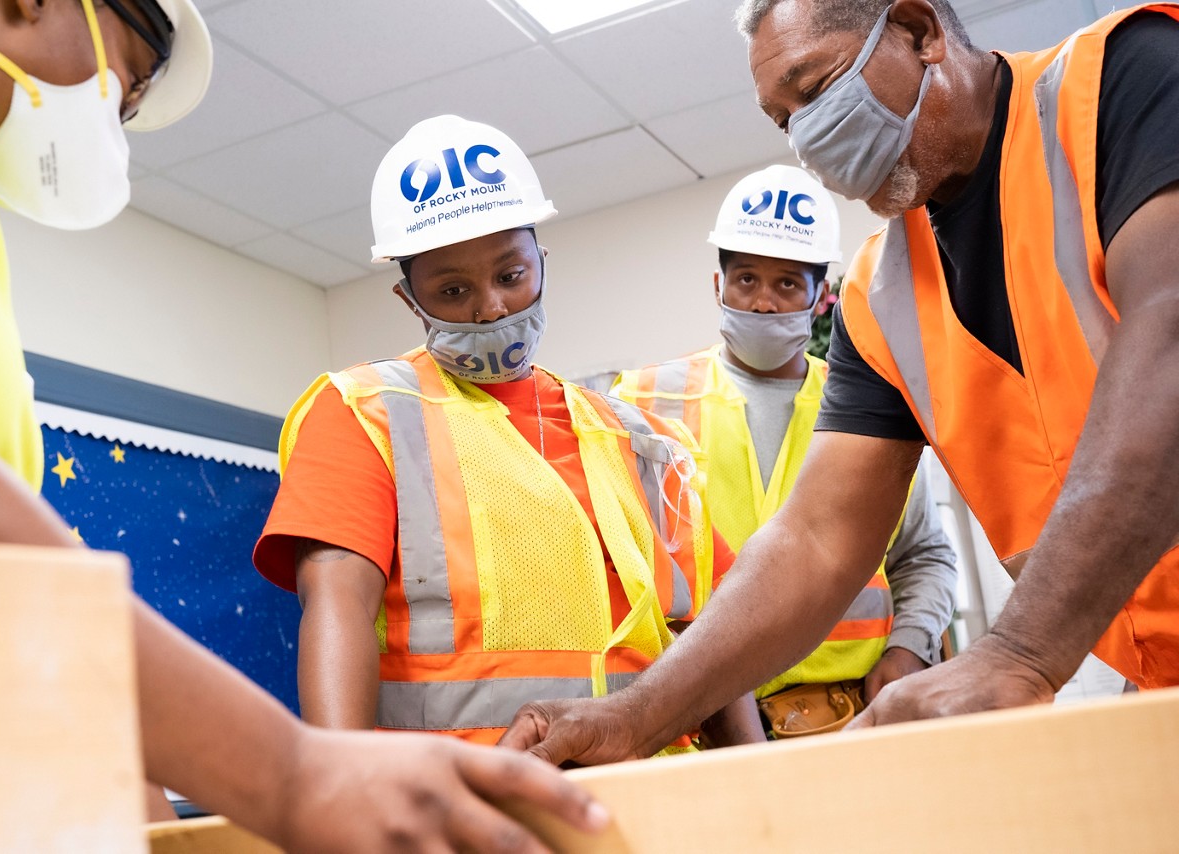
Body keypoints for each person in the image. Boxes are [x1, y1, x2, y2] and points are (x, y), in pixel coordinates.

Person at [0, 2, 607, 849]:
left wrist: (144, 799)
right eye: (126, 84)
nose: (117, 125)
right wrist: (295, 774)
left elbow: (6, 584)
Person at [498, 0, 1179, 765]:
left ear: (919, 32)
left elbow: (1171, 339)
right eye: (783, 120)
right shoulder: (881, 296)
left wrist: (1017, 652)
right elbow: (817, 538)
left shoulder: (1121, 82)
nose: (808, 139)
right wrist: (635, 716)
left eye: (816, 89)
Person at [252, 114, 756, 750]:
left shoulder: (636, 438)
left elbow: (711, 631)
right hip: (466, 808)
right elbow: (337, 607)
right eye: (453, 289)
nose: (490, 306)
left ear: (541, 263)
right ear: (411, 299)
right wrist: (342, 793)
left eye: (511, 275)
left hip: (652, 796)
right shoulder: (364, 412)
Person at [611, 164, 957, 736]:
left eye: (787, 284)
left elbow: (923, 556)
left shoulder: (867, 408)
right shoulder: (644, 403)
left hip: (856, 719)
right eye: (746, 280)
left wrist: (909, 651)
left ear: (822, 296)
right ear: (717, 286)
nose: (765, 303)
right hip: (706, 723)